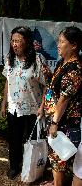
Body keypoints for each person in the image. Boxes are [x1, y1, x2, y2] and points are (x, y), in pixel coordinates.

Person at [0, 26, 49, 180]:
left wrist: (42, 107)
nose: (14, 44)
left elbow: (47, 85)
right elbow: (8, 81)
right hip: (14, 108)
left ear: (27, 42)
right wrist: (3, 103)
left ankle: (33, 169)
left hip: (34, 110)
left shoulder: (38, 60)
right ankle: (14, 167)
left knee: (32, 142)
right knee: (14, 140)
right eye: (13, 40)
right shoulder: (9, 59)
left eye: (18, 41)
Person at [41, 26, 82, 186]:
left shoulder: (75, 69)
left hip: (65, 122)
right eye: (58, 41)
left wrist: (54, 123)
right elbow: (58, 88)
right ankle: (55, 182)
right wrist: (50, 75)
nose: (58, 44)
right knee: (55, 156)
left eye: (62, 41)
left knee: (59, 158)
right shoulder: (62, 62)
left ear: (74, 45)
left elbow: (64, 99)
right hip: (57, 119)